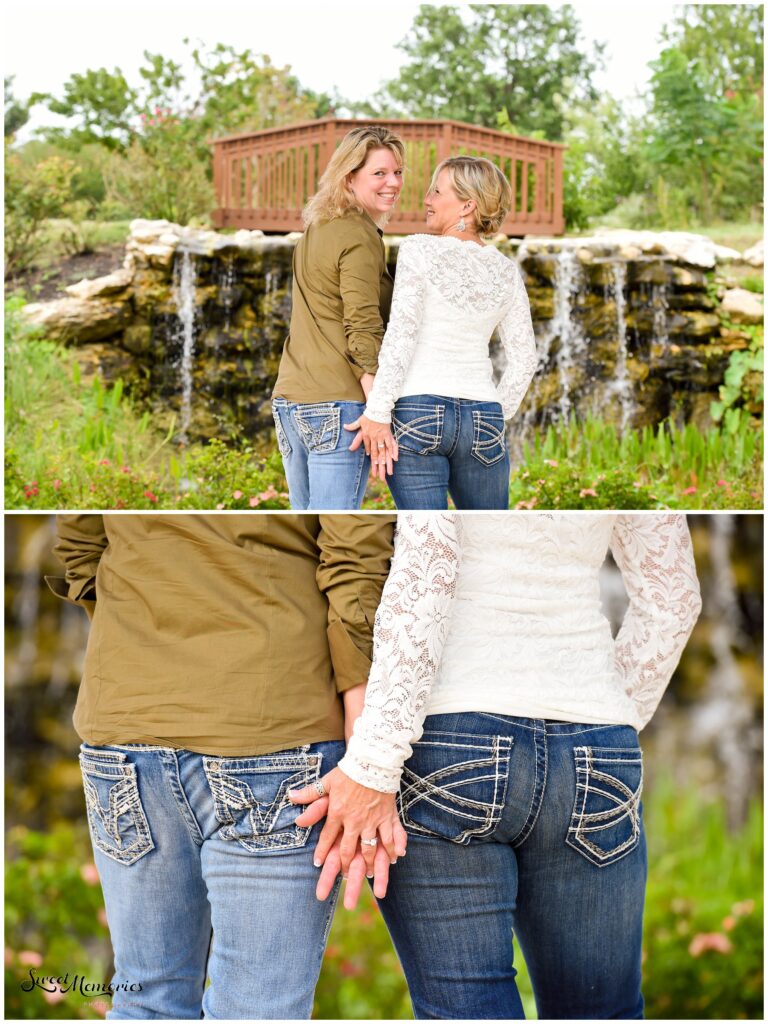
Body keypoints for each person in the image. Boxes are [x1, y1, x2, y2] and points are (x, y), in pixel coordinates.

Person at [290, 513, 702, 1019]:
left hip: (451, 739)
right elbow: (674, 597)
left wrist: (373, 761)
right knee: (603, 1011)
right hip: (596, 738)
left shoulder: (431, 431)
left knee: (468, 1008)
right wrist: (610, 720)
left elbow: (428, 567)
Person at [48, 513, 403, 1020]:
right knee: (257, 1009)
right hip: (273, 718)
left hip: (127, 726)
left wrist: (133, 640)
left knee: (145, 999)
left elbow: (81, 536)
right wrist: (364, 730)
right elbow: (356, 551)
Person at [345, 157, 538, 509]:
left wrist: (377, 413)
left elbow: (401, 336)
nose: (427, 199)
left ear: (468, 204)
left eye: (436, 190)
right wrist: (496, 413)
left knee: (427, 541)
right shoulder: (506, 271)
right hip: (484, 415)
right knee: (487, 541)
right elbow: (525, 360)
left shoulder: (419, 248)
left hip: (418, 411)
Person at [272, 125, 405, 509]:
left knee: (305, 532)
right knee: (336, 531)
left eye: (397, 172)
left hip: (290, 400)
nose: (393, 183)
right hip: (337, 405)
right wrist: (378, 412)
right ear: (349, 177)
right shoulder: (360, 236)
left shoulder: (315, 230)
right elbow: (362, 325)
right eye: (379, 173)